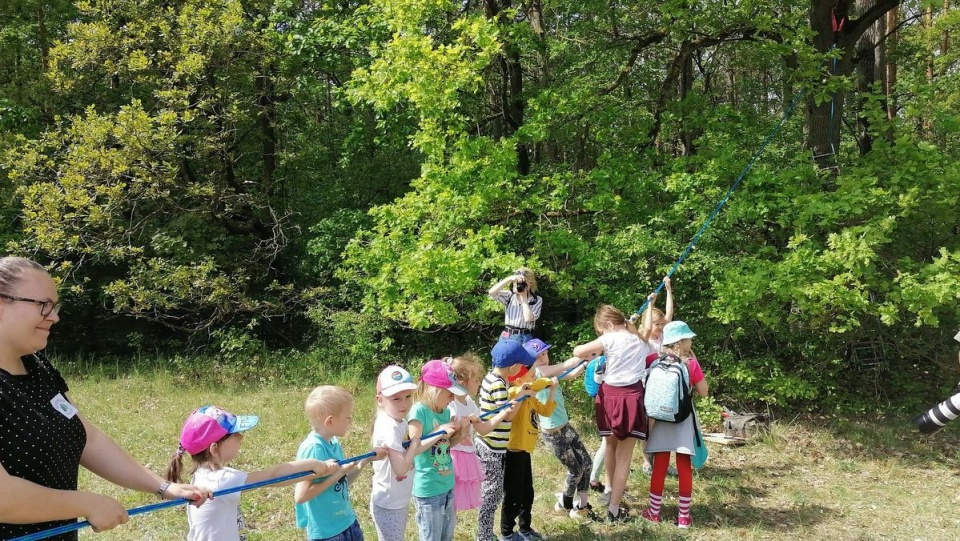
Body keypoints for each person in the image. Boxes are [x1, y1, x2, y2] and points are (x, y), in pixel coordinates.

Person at [0, 256, 212, 540]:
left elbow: (86, 437)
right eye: (43, 305)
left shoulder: (37, 368)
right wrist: (88, 503)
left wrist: (163, 486)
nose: (54, 316)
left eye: (55, 306)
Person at [166, 405, 336, 541]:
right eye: (235, 434)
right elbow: (273, 476)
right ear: (214, 448)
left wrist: (316, 471)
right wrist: (314, 464)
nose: (241, 437)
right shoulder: (222, 480)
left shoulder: (204, 474)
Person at [573, 304, 654, 523]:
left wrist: (598, 348)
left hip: (608, 396)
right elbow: (646, 335)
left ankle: (609, 491)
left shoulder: (609, 339)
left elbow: (578, 351)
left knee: (609, 444)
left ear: (608, 324)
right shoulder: (639, 340)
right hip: (632, 397)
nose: (601, 335)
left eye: (601, 330)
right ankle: (614, 509)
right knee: (625, 457)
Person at [640, 321, 709, 529]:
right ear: (681, 341)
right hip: (682, 419)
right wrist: (695, 364)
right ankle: (683, 517)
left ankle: (653, 512)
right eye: (689, 339)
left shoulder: (654, 359)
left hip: (660, 419)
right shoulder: (690, 364)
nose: (691, 342)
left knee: (659, 465)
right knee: (683, 466)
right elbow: (704, 392)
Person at [295, 385, 386, 541]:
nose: (350, 420)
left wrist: (366, 459)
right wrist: (338, 473)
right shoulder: (314, 449)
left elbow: (342, 482)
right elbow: (301, 496)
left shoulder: (333, 443)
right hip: (327, 532)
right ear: (330, 421)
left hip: (347, 522)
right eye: (347, 417)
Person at [370, 365, 449, 541]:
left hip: (398, 498)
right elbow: (401, 468)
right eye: (396, 399)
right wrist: (414, 443)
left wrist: (435, 436)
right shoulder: (388, 427)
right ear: (380, 399)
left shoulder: (398, 421)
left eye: (407, 396)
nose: (404, 403)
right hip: (389, 503)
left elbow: (412, 452)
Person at [522, 339, 595, 520]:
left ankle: (583, 506)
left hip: (566, 428)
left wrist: (586, 362)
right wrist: (583, 355)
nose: (543, 358)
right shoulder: (537, 373)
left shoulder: (549, 372)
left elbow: (569, 374)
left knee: (587, 464)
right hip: (553, 434)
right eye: (538, 357)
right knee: (575, 470)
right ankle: (565, 503)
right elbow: (567, 365)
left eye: (545, 354)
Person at [475, 339, 536, 541]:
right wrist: (522, 397)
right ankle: (484, 535)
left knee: (494, 491)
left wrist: (518, 393)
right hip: (492, 446)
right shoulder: (500, 385)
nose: (522, 368)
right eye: (520, 364)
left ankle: (486, 533)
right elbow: (507, 415)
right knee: (492, 493)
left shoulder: (490, 378)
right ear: (513, 366)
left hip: (491, 445)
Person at [408, 359, 468, 541]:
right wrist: (439, 431)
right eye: (449, 393)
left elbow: (446, 446)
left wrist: (462, 430)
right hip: (428, 489)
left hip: (447, 483)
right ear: (434, 389)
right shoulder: (419, 411)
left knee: (446, 536)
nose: (452, 398)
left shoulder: (445, 412)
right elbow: (414, 447)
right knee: (431, 537)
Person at [446, 355, 514, 514]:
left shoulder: (469, 402)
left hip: (468, 457)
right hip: (454, 458)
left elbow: (483, 429)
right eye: (476, 380)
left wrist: (503, 413)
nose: (480, 384)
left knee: (455, 505)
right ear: (463, 383)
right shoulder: (451, 406)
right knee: (450, 501)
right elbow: (448, 441)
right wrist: (462, 427)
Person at [501, 359, 558, 541]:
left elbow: (547, 411)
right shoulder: (514, 393)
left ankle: (525, 528)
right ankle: (507, 533)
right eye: (532, 376)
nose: (535, 379)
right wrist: (545, 382)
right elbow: (521, 390)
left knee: (527, 492)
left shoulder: (531, 397)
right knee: (513, 494)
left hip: (525, 451)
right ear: (519, 380)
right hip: (513, 452)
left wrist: (552, 391)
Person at [636, 276, 677, 476]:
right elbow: (646, 326)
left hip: (663, 385)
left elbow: (669, 315)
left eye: (661, 325)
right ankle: (647, 462)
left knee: (662, 425)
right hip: (647, 386)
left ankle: (662, 461)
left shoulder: (661, 336)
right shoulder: (643, 338)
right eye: (656, 325)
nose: (659, 328)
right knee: (648, 425)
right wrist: (650, 304)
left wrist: (668, 290)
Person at [488, 268, 543, 343]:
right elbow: (491, 292)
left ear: (531, 283)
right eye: (516, 282)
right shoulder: (509, 296)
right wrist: (509, 279)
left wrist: (524, 297)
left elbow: (528, 318)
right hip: (507, 335)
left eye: (522, 283)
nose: (518, 284)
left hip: (524, 337)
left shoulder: (536, 299)